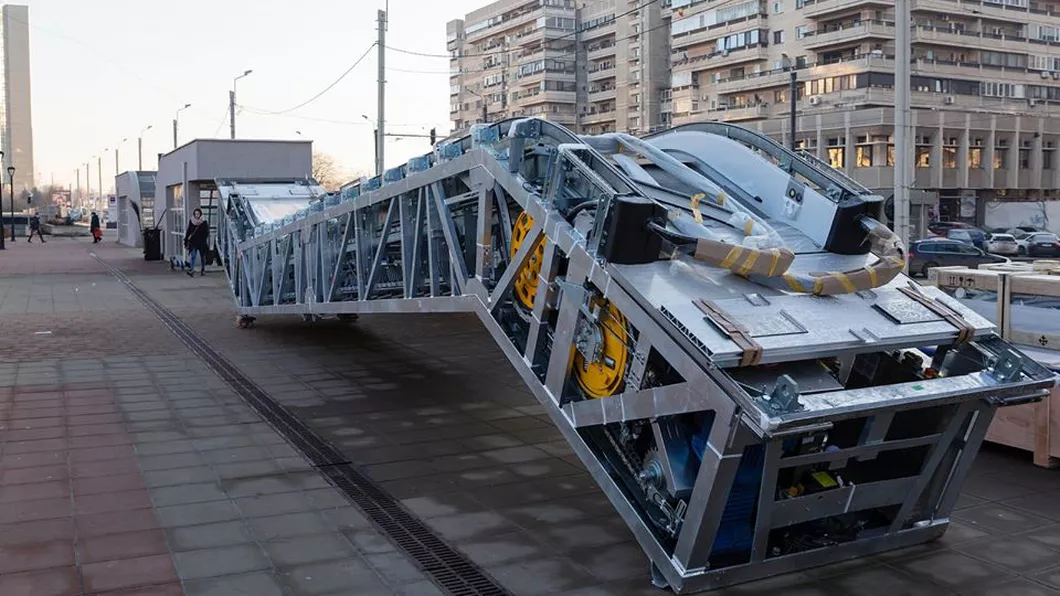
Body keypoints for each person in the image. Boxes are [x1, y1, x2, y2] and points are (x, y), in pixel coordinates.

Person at [183, 208, 210, 277]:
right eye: (195, 214)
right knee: (193, 256)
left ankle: (203, 270)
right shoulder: (192, 221)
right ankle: (192, 270)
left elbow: (206, 232)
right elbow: (188, 231)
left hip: (201, 242)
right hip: (193, 242)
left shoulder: (203, 222)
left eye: (198, 214)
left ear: (200, 214)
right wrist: (186, 240)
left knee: (202, 256)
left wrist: (203, 238)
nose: (197, 215)